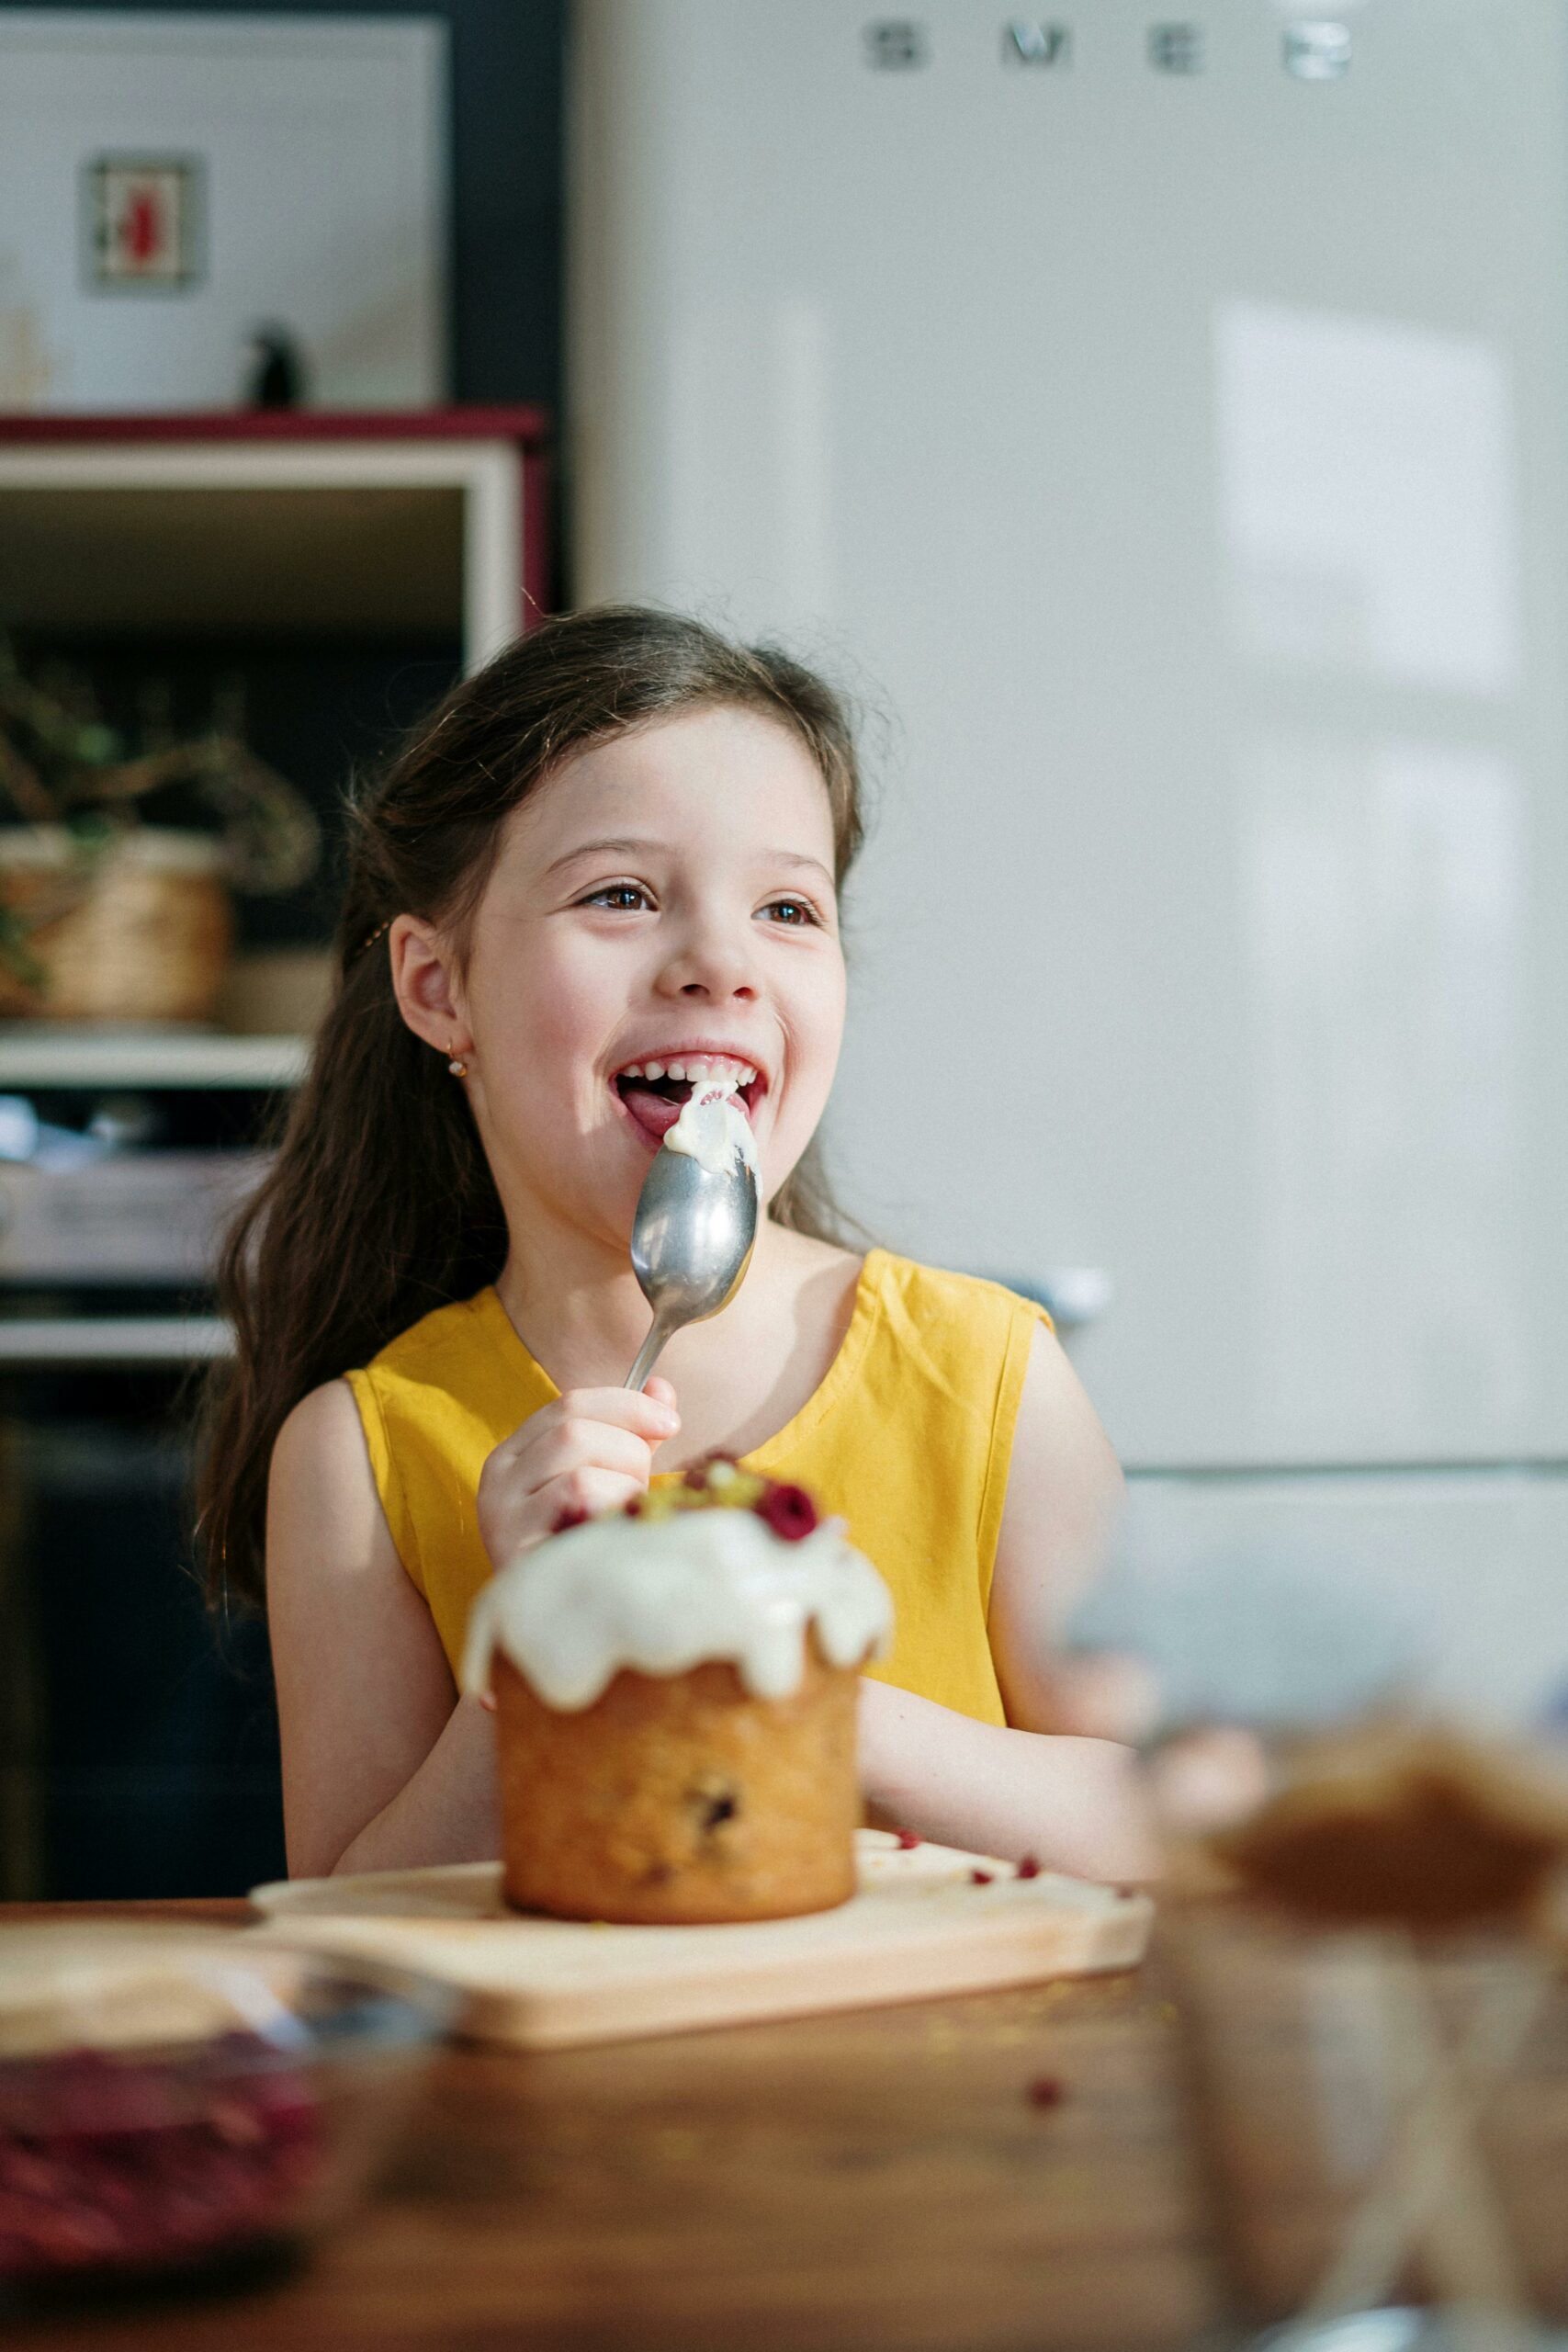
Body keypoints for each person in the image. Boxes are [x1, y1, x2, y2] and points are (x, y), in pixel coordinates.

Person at [198, 607, 1245, 1884]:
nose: (721, 963)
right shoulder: (362, 1454)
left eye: (788, 909)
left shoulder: (988, 1379)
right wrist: (537, 1656)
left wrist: (796, 1694)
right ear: (438, 988)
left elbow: (1188, 1818)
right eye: (623, 895)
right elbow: (351, 1930)